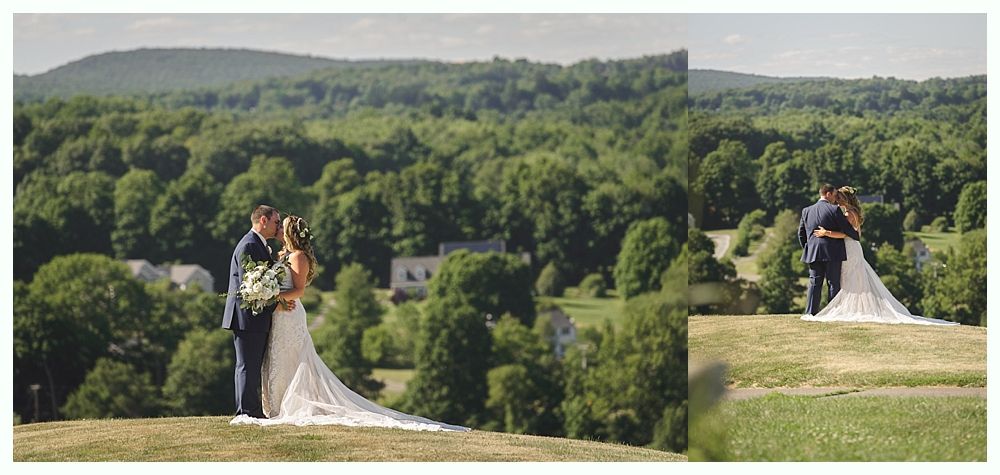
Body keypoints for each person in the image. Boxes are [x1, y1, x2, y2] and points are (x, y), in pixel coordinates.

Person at [232, 214, 470, 431]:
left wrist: (275, 297)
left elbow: (299, 291)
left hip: (290, 315)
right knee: (275, 360)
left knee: (292, 360)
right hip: (278, 316)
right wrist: (273, 298)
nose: (279, 231)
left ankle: (288, 406)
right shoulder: (281, 255)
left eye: (282, 228)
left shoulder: (298, 257)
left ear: (291, 233)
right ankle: (274, 407)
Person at [801, 187, 958, 326]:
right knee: (843, 281)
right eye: (835, 197)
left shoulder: (844, 213)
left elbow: (851, 235)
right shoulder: (842, 211)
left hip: (847, 247)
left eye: (839, 198)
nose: (836, 200)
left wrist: (823, 235)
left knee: (843, 280)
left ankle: (825, 311)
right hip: (842, 249)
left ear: (844, 199)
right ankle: (839, 309)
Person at [223, 205, 297, 420]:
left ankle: (251, 410)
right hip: (246, 317)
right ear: (263, 220)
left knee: (252, 366)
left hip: (254, 317)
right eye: (275, 222)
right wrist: (277, 303)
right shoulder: (249, 245)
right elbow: (252, 287)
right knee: (247, 365)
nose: (277, 227)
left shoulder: (259, 245)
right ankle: (247, 412)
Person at [798, 184, 861, 316]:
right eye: (834, 195)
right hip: (833, 252)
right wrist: (855, 235)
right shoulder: (834, 210)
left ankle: (810, 313)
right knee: (833, 283)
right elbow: (846, 229)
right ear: (828, 194)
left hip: (813, 252)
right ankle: (833, 313)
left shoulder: (806, 210)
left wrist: (808, 248)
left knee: (814, 282)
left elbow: (801, 234)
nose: (835, 199)